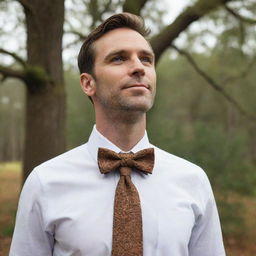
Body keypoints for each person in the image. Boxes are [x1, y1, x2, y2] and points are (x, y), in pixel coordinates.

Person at [9, 13, 226, 256]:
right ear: (88, 84)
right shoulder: (45, 183)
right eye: (119, 58)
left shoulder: (193, 181)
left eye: (146, 59)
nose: (138, 68)